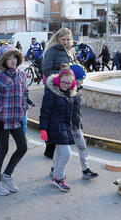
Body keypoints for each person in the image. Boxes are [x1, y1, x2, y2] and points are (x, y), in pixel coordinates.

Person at [0, 47, 28, 196]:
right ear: (3, 61)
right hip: (1, 119)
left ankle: (7, 175)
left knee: (23, 147)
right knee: (3, 149)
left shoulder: (21, 75)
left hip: (16, 119)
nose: (13, 61)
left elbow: (24, 94)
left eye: (15, 57)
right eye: (9, 58)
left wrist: (24, 107)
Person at [39, 65, 77, 192]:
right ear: (58, 80)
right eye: (63, 82)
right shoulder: (51, 93)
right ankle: (58, 178)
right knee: (67, 153)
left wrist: (75, 125)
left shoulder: (70, 94)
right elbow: (45, 111)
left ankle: (55, 169)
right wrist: (43, 128)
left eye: (68, 83)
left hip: (65, 126)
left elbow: (71, 113)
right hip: (55, 127)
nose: (65, 85)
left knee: (60, 151)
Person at [41, 27, 77, 159]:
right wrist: (61, 77)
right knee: (52, 118)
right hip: (53, 89)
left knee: (62, 118)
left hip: (65, 89)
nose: (66, 42)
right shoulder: (52, 50)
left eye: (68, 39)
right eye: (63, 39)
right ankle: (50, 149)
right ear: (58, 38)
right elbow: (46, 70)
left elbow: (71, 66)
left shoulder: (69, 50)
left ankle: (55, 149)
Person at [69, 64, 99, 180]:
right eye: (80, 80)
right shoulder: (68, 92)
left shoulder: (77, 91)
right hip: (66, 126)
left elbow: (76, 111)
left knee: (82, 146)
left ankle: (85, 170)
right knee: (62, 152)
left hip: (76, 125)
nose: (81, 82)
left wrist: (79, 122)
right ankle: (55, 170)